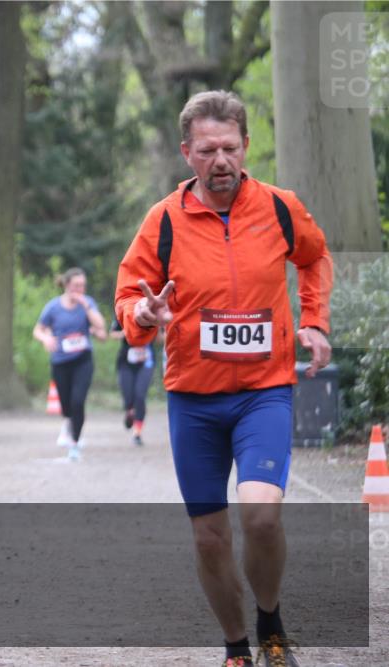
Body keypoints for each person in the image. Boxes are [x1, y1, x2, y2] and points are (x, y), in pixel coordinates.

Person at [115, 90, 332, 667]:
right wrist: (142, 315)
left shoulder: (281, 208)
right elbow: (129, 297)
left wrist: (313, 321)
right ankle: (237, 646)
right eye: (207, 149)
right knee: (210, 536)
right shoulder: (163, 221)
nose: (220, 160)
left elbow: (314, 257)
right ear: (187, 153)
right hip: (194, 401)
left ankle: (270, 620)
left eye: (230, 148)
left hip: (264, 392)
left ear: (246, 147)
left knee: (261, 517)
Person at [33, 267, 107, 460]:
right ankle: (69, 424)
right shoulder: (53, 307)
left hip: (83, 360)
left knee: (77, 401)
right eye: (76, 285)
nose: (80, 289)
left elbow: (100, 327)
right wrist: (45, 339)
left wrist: (86, 307)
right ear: (66, 285)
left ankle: (74, 443)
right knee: (66, 405)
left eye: (83, 286)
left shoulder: (88, 303)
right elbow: (38, 330)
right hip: (60, 361)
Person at [109, 316, 160, 446]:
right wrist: (126, 332)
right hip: (126, 362)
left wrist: (157, 331)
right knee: (128, 396)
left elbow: (161, 338)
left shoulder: (154, 312)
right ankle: (130, 411)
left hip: (146, 362)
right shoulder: (124, 310)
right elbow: (112, 334)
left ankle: (137, 433)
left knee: (140, 395)